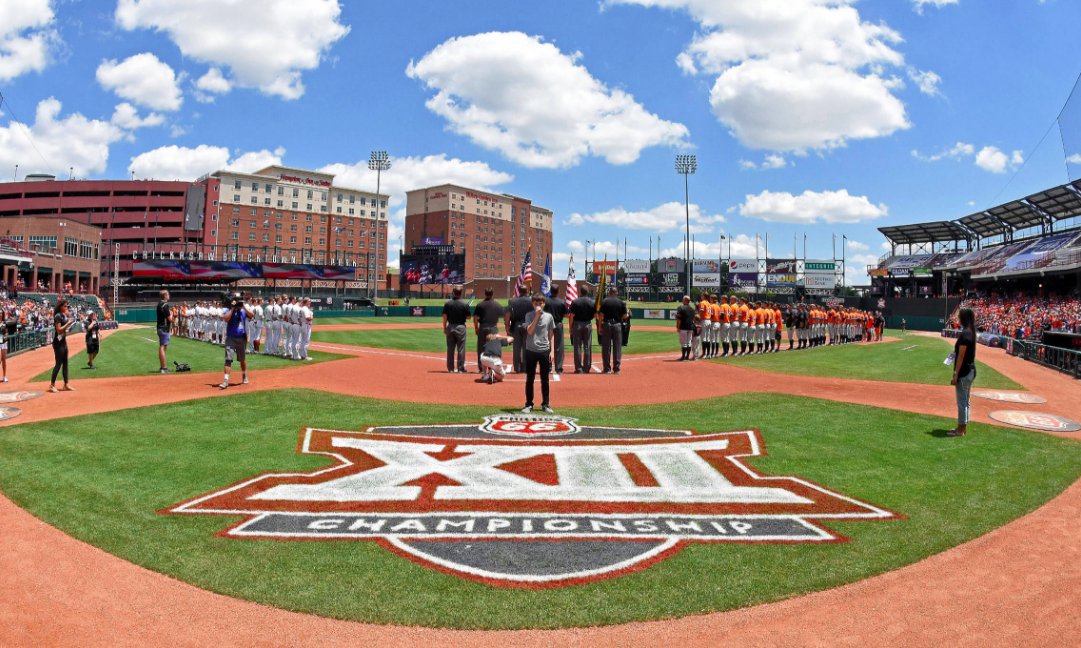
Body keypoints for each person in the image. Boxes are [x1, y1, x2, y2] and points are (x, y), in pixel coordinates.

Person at [521, 293, 555, 413]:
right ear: (532, 304)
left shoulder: (549, 317)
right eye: (536, 303)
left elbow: (551, 334)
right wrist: (536, 316)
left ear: (544, 304)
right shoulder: (528, 315)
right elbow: (529, 331)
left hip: (544, 350)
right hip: (531, 350)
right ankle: (528, 404)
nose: (538, 305)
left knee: (545, 379)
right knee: (530, 378)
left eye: (540, 303)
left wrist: (552, 351)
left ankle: (546, 404)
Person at [949, 307, 977, 437]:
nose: (958, 318)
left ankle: (960, 430)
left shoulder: (966, 333)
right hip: (970, 370)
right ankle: (962, 427)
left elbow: (961, 356)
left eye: (959, 316)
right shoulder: (970, 331)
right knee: (965, 401)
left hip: (965, 372)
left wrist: (956, 374)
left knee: (962, 402)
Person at [220, 293, 254, 389]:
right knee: (228, 360)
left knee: (242, 360)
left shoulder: (243, 311)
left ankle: (244, 375)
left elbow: (252, 315)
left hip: (241, 338)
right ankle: (226, 381)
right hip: (231, 337)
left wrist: (243, 307)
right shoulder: (228, 310)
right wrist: (232, 308)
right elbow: (226, 319)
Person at [473, 288, 504, 374]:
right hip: (493, 327)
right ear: (492, 294)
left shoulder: (480, 305)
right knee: (492, 348)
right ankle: (493, 367)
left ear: (485, 294)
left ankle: (481, 368)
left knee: (481, 348)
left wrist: (476, 328)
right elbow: (503, 316)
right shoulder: (497, 305)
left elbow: (475, 318)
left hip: (483, 327)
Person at [49, 299, 76, 393]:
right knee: (58, 364)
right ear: (61, 306)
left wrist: (68, 327)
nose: (66, 307)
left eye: (67, 306)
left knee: (65, 363)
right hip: (58, 343)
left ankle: (66, 384)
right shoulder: (57, 316)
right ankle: (52, 385)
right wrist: (68, 323)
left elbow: (63, 331)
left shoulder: (63, 315)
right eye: (65, 306)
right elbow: (59, 330)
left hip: (63, 342)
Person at [597, 287, 627, 374]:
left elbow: (601, 316)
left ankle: (606, 369)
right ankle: (616, 369)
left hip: (607, 325)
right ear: (616, 293)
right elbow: (625, 316)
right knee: (617, 347)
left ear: (609, 292)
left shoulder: (605, 301)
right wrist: (619, 318)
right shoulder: (621, 302)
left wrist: (600, 327)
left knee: (606, 347)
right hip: (617, 325)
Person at [442, 287, 470, 373]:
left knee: (450, 348)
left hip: (450, 326)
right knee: (461, 348)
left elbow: (444, 317)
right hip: (461, 327)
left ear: (453, 292)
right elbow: (469, 317)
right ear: (461, 293)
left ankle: (450, 369)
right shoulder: (465, 304)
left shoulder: (448, 303)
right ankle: (460, 368)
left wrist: (444, 327)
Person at [568, 285, 595, 373]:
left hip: (577, 324)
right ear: (587, 292)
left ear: (580, 292)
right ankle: (587, 367)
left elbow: (571, 316)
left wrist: (570, 327)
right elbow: (595, 315)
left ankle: (578, 368)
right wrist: (589, 319)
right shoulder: (592, 302)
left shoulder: (575, 302)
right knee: (587, 346)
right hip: (587, 323)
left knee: (577, 347)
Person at [505, 287, 532, 373]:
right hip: (528, 325)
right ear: (527, 291)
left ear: (519, 291)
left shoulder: (512, 301)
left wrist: (507, 327)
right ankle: (526, 367)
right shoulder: (531, 301)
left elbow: (507, 315)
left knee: (516, 348)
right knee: (527, 347)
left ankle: (517, 367)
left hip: (516, 325)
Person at [544, 284, 567, 376]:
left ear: (550, 290)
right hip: (558, 324)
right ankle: (559, 368)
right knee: (559, 346)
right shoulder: (562, 302)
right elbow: (567, 315)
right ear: (558, 292)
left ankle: (548, 367)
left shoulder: (546, 301)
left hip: (548, 324)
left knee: (547, 345)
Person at [675, 295, 696, 361]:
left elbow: (679, 319)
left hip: (683, 327)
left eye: (683, 299)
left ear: (684, 300)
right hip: (690, 327)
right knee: (689, 342)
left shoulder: (680, 308)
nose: (682, 300)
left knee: (684, 343)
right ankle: (687, 357)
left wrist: (678, 327)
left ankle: (683, 357)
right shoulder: (692, 309)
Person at [157, 290, 172, 373]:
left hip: (160, 328)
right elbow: (170, 319)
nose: (169, 296)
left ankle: (162, 367)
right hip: (164, 328)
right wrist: (172, 313)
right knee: (163, 347)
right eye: (168, 294)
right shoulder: (165, 305)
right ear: (165, 296)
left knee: (163, 346)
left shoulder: (159, 304)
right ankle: (163, 368)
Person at [0, 310, 7, 382]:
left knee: (4, 360)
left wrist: (5, 337)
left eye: (1, 314)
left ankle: (4, 376)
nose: (0, 315)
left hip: (3, 343)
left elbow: (6, 333)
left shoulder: (4, 323)